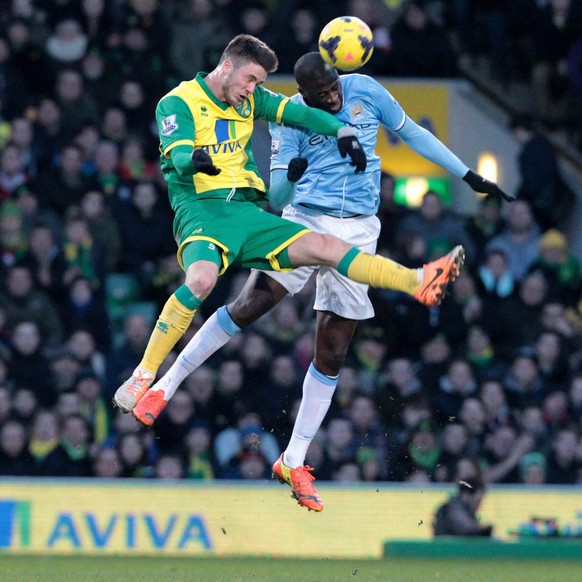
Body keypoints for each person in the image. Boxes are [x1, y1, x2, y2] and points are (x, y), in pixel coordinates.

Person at [115, 45, 510, 508]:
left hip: (360, 227)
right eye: (321, 94)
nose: (333, 97)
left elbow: (414, 136)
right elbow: (275, 187)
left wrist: (466, 174)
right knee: (247, 305)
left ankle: (293, 457)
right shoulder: (278, 114)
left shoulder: (365, 91)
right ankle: (161, 382)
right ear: (304, 93)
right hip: (300, 215)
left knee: (334, 349)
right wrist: (294, 171)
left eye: (334, 87)